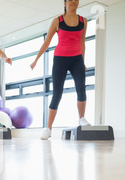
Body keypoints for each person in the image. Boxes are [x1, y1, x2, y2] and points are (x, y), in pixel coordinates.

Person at [30, 0, 91, 140]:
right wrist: (36, 60)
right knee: (57, 93)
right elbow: (47, 42)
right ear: (65, 3)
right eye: (70, 0)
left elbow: (82, 43)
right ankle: (48, 128)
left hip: (77, 60)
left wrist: (83, 61)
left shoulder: (84, 21)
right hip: (60, 60)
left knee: (81, 89)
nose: (73, 1)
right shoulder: (57, 21)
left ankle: (81, 118)